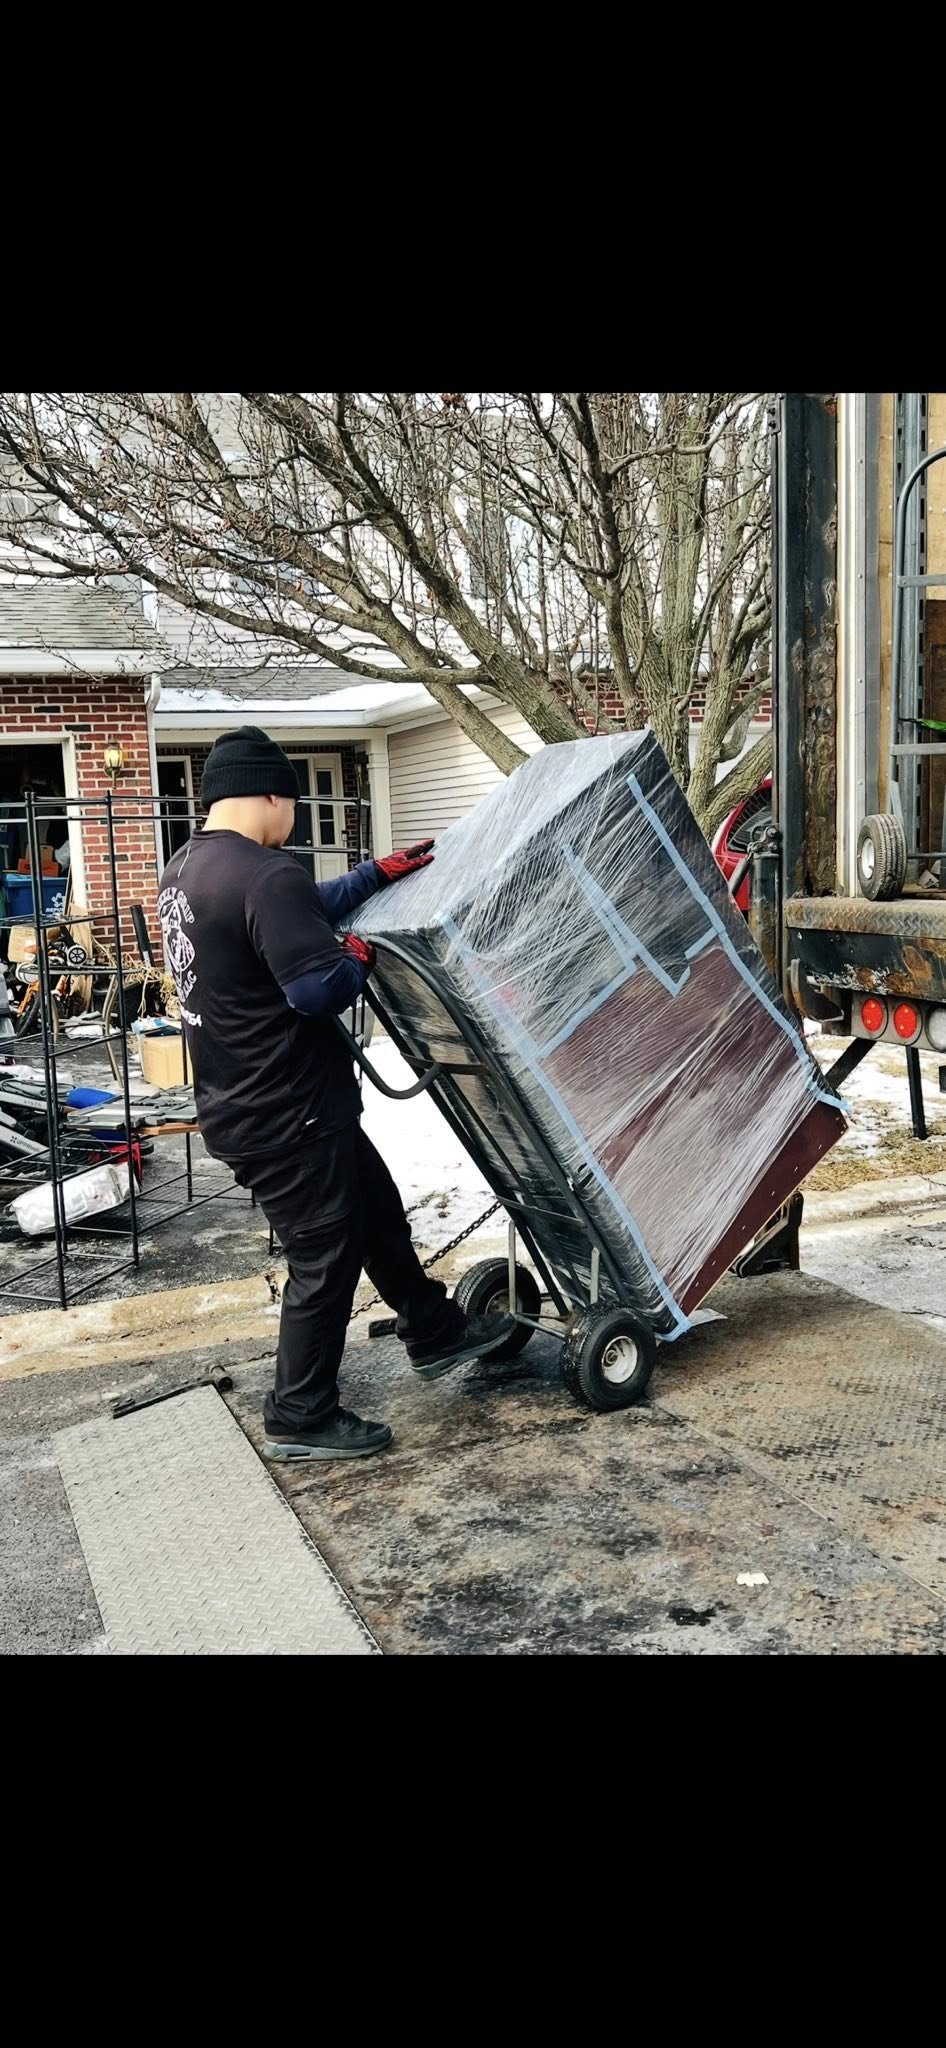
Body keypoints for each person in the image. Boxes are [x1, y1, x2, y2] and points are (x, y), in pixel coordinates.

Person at [157, 726, 514, 1463]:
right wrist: (355, 958)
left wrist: (371, 876)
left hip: (250, 1102)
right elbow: (318, 988)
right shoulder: (265, 872)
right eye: (292, 802)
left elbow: (295, 910)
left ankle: (434, 1330)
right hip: (289, 1110)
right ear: (272, 797)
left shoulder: (188, 867)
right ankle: (300, 1412)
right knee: (324, 1257)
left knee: (376, 1212)